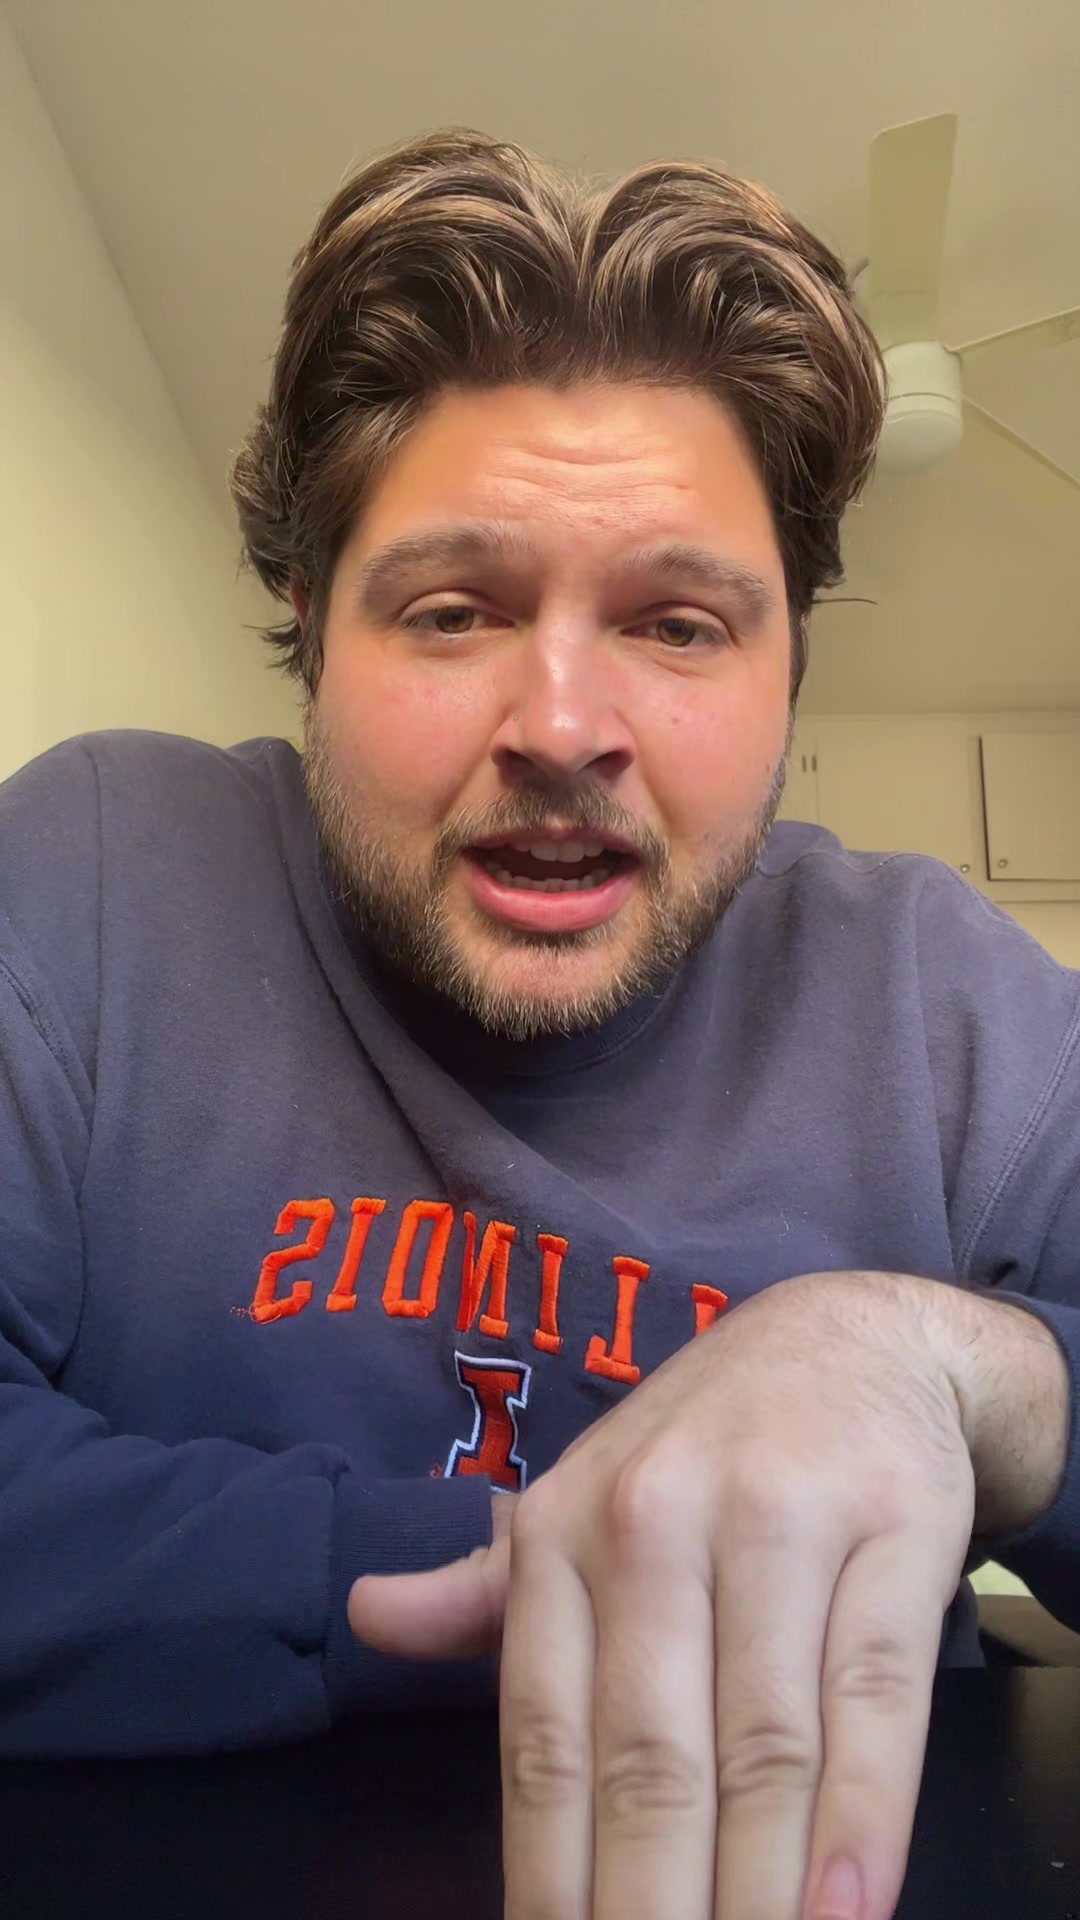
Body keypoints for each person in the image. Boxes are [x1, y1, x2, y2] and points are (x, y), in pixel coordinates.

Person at [1, 126, 1077, 1920]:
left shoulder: (946, 998)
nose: (564, 725)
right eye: (452, 611)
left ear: (792, 667)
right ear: (311, 626)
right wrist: (547, 1576)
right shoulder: (91, 872)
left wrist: (961, 1371)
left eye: (678, 625)